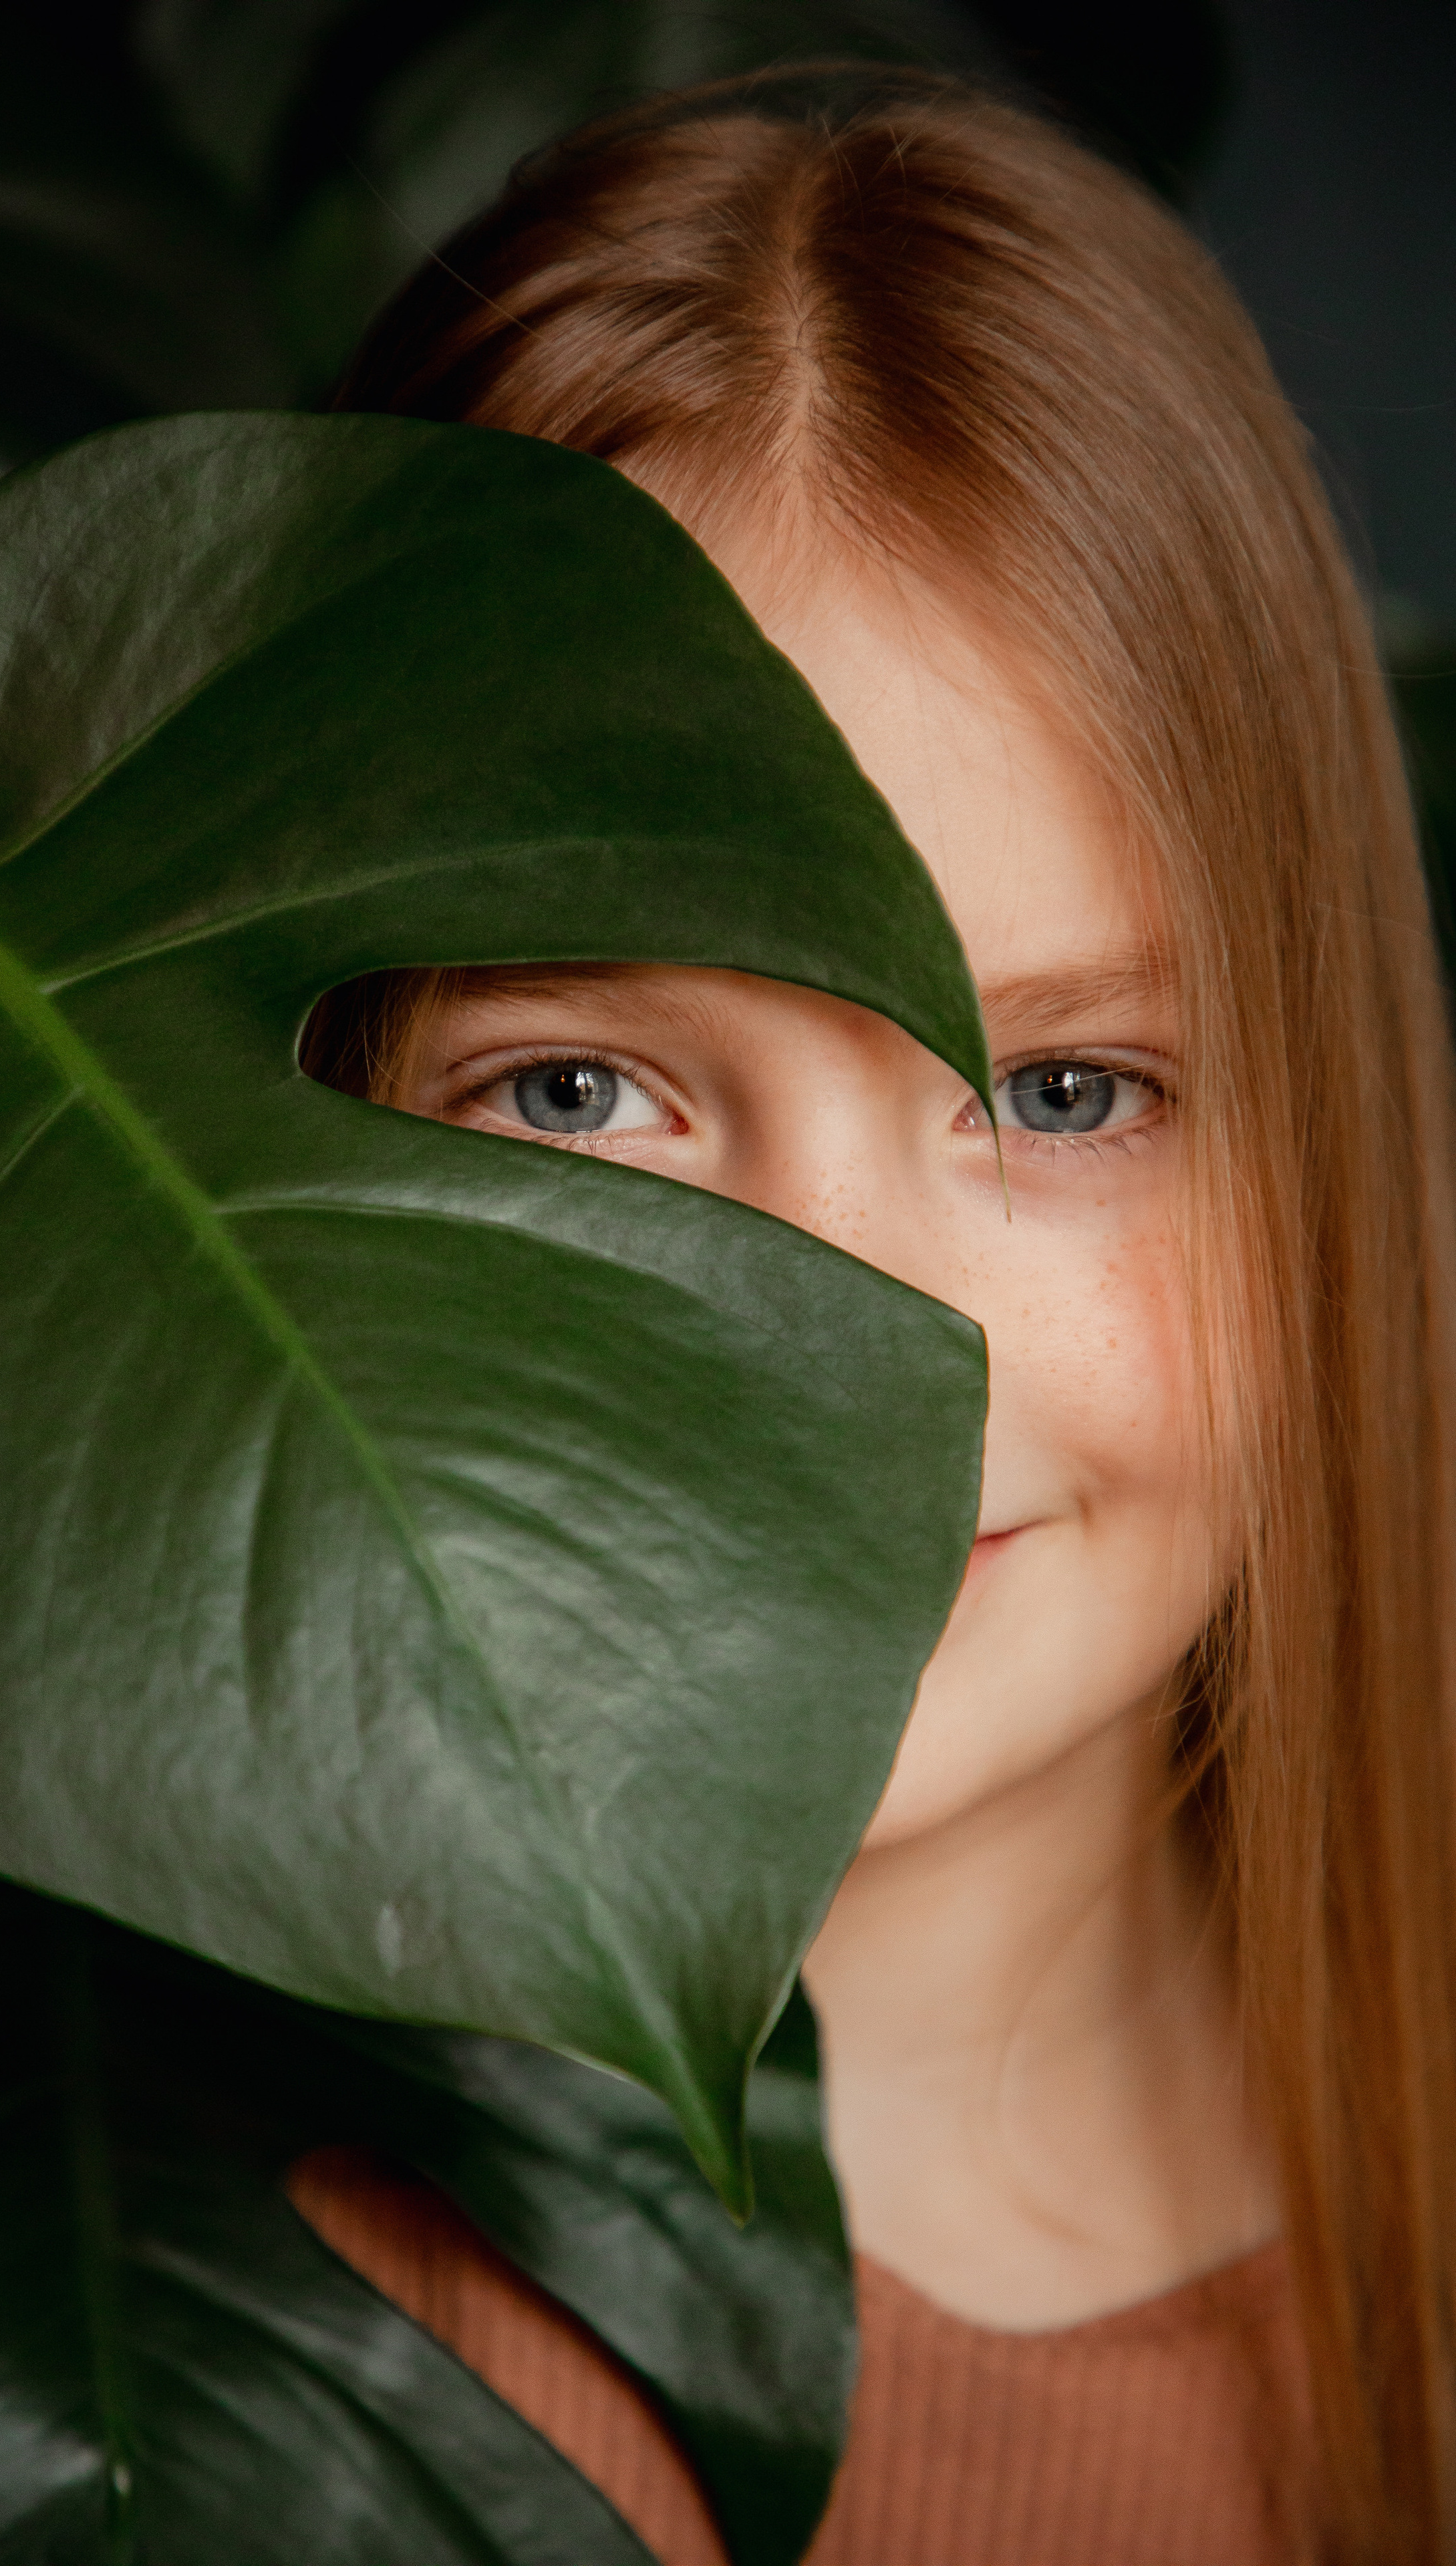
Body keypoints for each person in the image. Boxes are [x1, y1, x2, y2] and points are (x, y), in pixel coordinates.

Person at [289, 75, 1456, 2564]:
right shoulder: (152, 2349)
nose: (840, 1364)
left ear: (1325, 1150)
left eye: (1060, 1090)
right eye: (581, 1094)